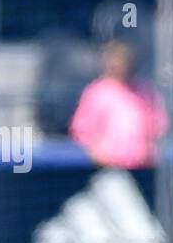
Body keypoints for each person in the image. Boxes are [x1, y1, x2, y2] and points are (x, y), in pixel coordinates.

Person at [69, 39, 166, 169]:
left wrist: (151, 145)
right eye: (115, 61)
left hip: (143, 166)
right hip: (107, 168)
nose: (120, 65)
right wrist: (96, 149)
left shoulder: (145, 90)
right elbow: (81, 131)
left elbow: (159, 125)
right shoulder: (96, 92)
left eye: (123, 60)